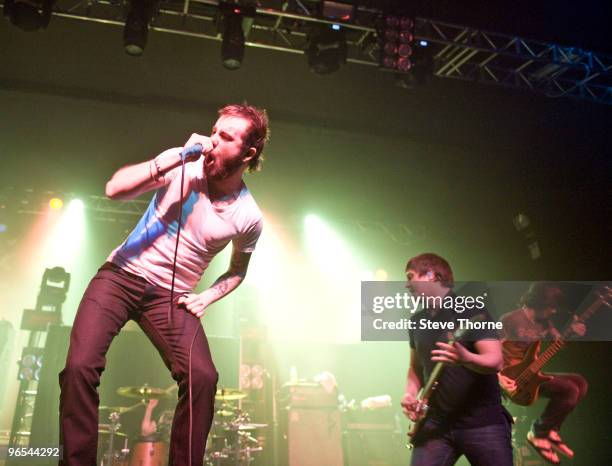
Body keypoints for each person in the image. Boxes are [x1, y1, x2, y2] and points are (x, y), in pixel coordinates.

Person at [59, 104, 269, 466]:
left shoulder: (249, 216)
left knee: (203, 376)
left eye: (227, 138)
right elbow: (113, 189)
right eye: (214, 131)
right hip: (120, 275)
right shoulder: (183, 166)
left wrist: (206, 297)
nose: (214, 142)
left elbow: (238, 270)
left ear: (248, 153)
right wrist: (170, 158)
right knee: (79, 367)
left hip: (171, 298)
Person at [400, 253, 513, 466]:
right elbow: (415, 368)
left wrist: (466, 358)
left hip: (483, 424)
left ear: (432, 275)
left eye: (410, 276)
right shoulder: (416, 321)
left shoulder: (471, 310)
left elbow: (496, 361)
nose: (406, 284)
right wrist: (410, 393)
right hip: (436, 425)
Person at [498, 282, 587, 464]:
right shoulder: (509, 320)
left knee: (580, 383)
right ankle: (538, 432)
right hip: (516, 380)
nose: (553, 312)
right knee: (569, 390)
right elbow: (492, 350)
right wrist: (499, 378)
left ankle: (550, 431)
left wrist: (573, 332)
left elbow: (558, 341)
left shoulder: (545, 321)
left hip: (533, 373)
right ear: (537, 303)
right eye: (550, 307)